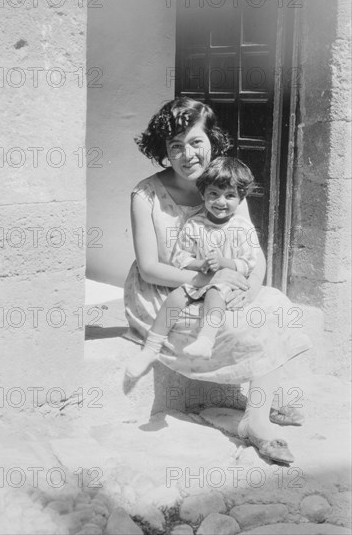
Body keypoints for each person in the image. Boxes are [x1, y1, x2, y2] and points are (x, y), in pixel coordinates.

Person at [123, 97, 312, 464]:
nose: (187, 154)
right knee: (242, 327)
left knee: (274, 305)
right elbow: (149, 267)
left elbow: (251, 251)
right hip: (167, 292)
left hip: (224, 284)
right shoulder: (145, 195)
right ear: (163, 150)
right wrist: (210, 279)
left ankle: (255, 419)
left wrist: (251, 288)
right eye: (175, 146)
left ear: (212, 142)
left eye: (196, 142)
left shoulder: (225, 184)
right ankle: (257, 415)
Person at [126, 156, 259, 377]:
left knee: (215, 294)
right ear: (203, 195)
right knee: (175, 298)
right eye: (213, 194)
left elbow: (249, 261)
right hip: (199, 279)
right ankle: (150, 349)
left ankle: (205, 340)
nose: (221, 202)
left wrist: (225, 264)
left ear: (241, 198)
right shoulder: (195, 225)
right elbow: (181, 257)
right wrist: (200, 264)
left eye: (230, 196)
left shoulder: (242, 228)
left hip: (228, 285)